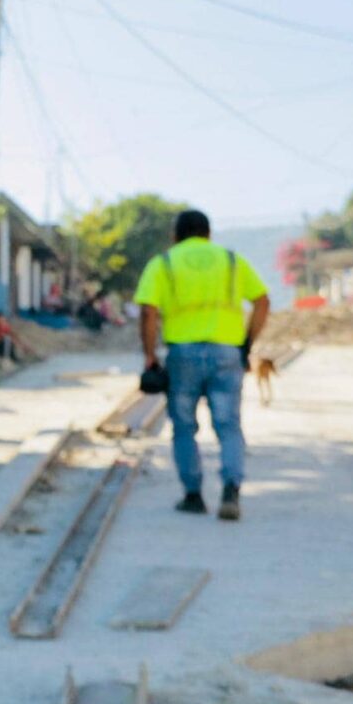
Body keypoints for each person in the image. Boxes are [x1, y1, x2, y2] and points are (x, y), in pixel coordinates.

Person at [135, 208, 271, 522]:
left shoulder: (163, 263)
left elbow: (148, 312)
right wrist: (247, 344)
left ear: (175, 235)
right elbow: (262, 301)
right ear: (209, 234)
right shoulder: (232, 261)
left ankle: (193, 496)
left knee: (183, 426)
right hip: (227, 354)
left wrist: (150, 355)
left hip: (182, 356)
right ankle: (231, 491)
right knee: (228, 425)